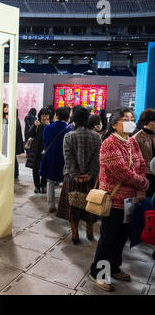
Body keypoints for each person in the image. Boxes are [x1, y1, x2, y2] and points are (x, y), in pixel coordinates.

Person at [89, 107, 149, 292]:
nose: (130, 121)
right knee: (109, 239)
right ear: (114, 123)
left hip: (129, 201)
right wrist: (144, 184)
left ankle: (114, 267)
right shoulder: (109, 143)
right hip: (113, 200)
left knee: (121, 237)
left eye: (132, 118)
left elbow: (141, 164)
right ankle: (98, 273)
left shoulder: (132, 142)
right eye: (125, 118)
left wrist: (139, 186)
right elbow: (122, 172)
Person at [58, 108, 101, 244]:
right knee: (90, 206)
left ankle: (75, 235)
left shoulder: (69, 136)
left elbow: (68, 158)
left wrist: (76, 174)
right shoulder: (96, 136)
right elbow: (97, 159)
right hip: (90, 179)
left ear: (75, 119)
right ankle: (89, 232)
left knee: (73, 206)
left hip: (72, 178)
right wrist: (89, 175)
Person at [39, 107, 72, 212]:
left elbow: (45, 142)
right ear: (68, 117)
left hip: (50, 157)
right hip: (64, 159)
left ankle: (51, 205)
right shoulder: (70, 130)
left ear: (56, 115)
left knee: (50, 182)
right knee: (65, 183)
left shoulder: (48, 128)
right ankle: (64, 206)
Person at [26, 108, 50, 194]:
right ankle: (37, 186)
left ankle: (43, 186)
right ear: (40, 116)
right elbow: (29, 134)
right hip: (36, 149)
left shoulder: (50, 124)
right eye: (43, 115)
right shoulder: (36, 123)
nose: (44, 117)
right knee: (35, 168)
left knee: (45, 168)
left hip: (46, 149)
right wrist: (34, 126)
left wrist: (49, 126)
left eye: (46, 115)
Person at [133, 108, 155, 197]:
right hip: (146, 175)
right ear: (146, 121)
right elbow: (135, 161)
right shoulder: (137, 137)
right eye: (154, 121)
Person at [15, 109, 24, 178]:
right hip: (16, 142)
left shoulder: (14, 119)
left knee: (13, 158)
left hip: (13, 142)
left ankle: (15, 173)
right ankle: (15, 173)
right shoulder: (16, 119)